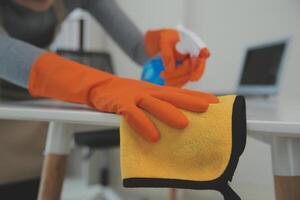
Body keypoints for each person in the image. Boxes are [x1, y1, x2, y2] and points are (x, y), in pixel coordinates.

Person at [0, 0, 218, 197]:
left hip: (31, 103)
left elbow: (137, 48)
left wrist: (162, 49)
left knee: (26, 186)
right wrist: (99, 86)